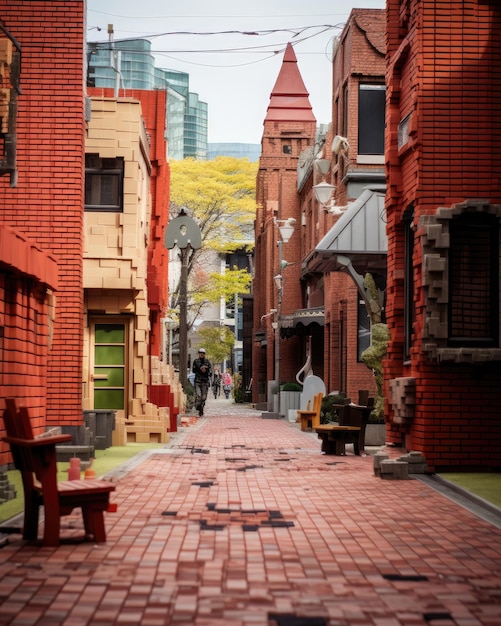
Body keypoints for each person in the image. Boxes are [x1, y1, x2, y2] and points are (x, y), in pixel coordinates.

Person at [192, 348, 212, 416]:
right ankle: (197, 406)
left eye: (203, 353)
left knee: (204, 397)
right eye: (200, 353)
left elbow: (210, 371)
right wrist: (199, 369)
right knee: (198, 396)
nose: (201, 354)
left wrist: (207, 371)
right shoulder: (196, 361)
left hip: (205, 381)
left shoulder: (207, 362)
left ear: (204, 354)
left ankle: (201, 407)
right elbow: (193, 371)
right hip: (197, 381)